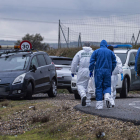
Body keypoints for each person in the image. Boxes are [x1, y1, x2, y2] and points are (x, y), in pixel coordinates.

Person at [89, 40, 117, 109]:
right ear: (106, 45)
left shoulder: (96, 51)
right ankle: (107, 96)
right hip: (107, 71)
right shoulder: (110, 52)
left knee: (99, 87)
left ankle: (99, 105)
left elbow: (92, 62)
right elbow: (114, 62)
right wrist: (111, 69)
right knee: (107, 86)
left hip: (98, 71)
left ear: (100, 45)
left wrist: (91, 70)